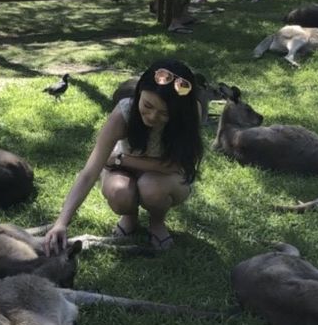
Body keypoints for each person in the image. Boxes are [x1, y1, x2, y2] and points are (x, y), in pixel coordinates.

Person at [44, 58, 204, 254]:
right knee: (120, 192)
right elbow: (89, 172)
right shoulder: (124, 113)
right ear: (139, 94)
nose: (153, 116)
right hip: (123, 171)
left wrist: (121, 159)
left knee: (151, 188)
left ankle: (157, 223)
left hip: (163, 178)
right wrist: (61, 223)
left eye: (164, 113)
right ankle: (130, 216)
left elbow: (174, 166)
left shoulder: (190, 113)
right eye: (147, 105)